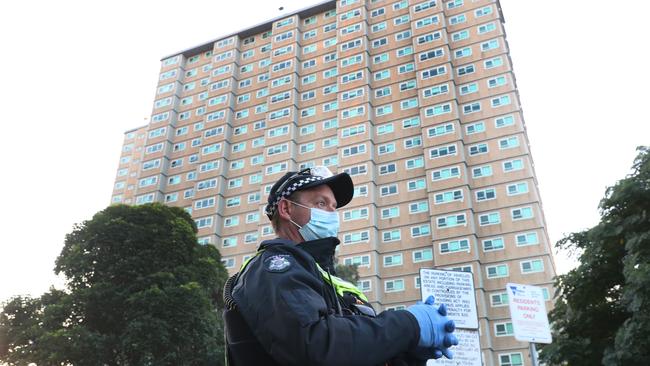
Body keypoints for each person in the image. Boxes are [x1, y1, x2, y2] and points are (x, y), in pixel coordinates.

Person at [223, 166, 458, 366]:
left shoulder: (333, 283)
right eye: (320, 203)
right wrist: (409, 325)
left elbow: (355, 352)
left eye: (333, 206)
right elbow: (316, 345)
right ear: (286, 209)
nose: (332, 214)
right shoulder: (272, 268)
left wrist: (409, 350)